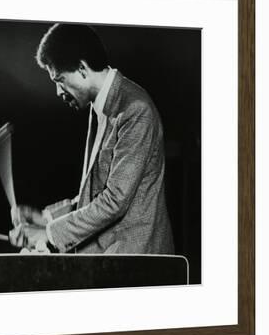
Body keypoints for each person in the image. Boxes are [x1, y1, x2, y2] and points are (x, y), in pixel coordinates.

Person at [10, 23, 174, 255]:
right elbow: (96, 193)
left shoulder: (135, 109)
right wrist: (46, 218)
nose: (59, 92)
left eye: (60, 80)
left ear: (82, 68)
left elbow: (115, 201)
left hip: (135, 262)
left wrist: (48, 234)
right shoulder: (100, 106)